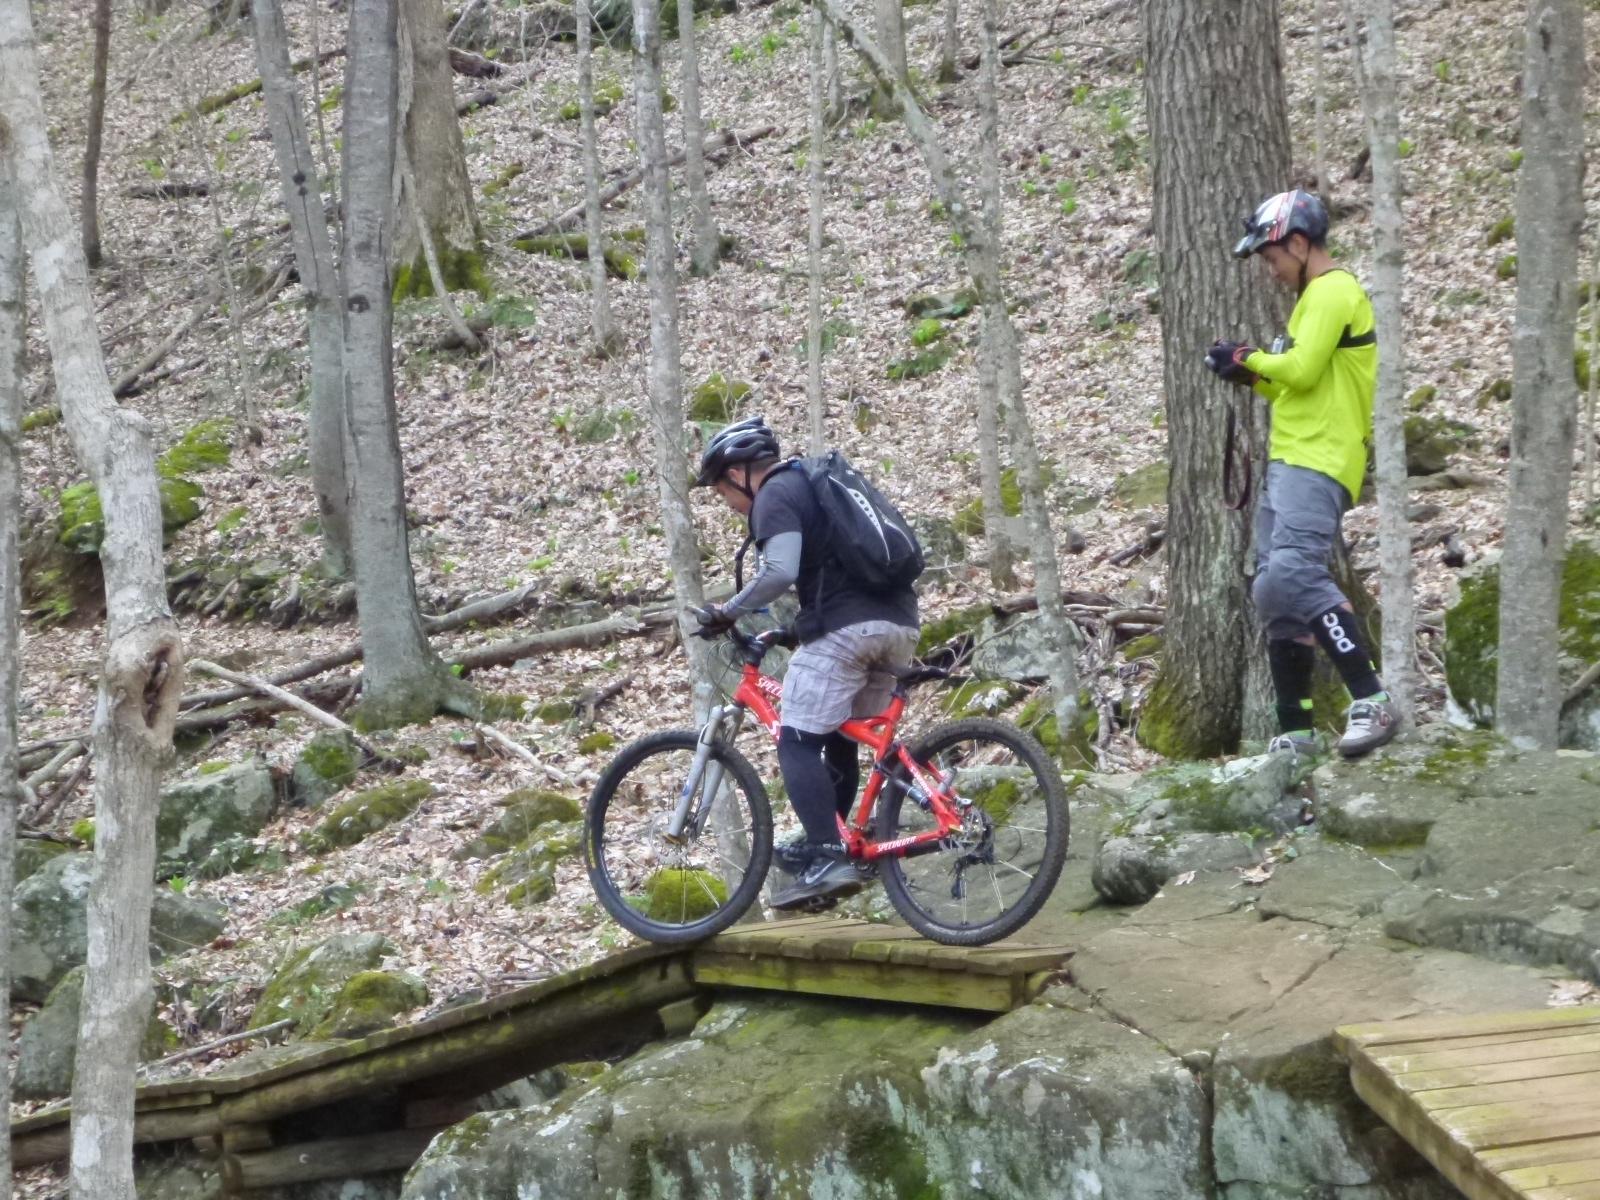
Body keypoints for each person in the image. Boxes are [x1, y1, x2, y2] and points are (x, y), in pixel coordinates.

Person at [692, 416, 920, 909]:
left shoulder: (776, 493)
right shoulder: (815, 489)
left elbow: (779, 572)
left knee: (795, 738)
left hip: (850, 631)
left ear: (738, 473)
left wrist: (726, 612)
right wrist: (798, 630)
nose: (728, 504)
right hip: (898, 626)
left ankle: (825, 854)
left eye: (721, 491)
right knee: (837, 734)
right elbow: (832, 575)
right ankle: (834, 851)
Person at [1205, 188, 1399, 759]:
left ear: (1298, 242)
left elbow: (1305, 370)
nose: (1271, 270)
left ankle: (1371, 698)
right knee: (1272, 589)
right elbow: (1291, 383)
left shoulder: (1335, 290)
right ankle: (1296, 730)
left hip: (1320, 460)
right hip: (1292, 458)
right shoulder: (1311, 302)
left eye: (1271, 258)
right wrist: (1245, 374)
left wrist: (1253, 359)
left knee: (1294, 572)